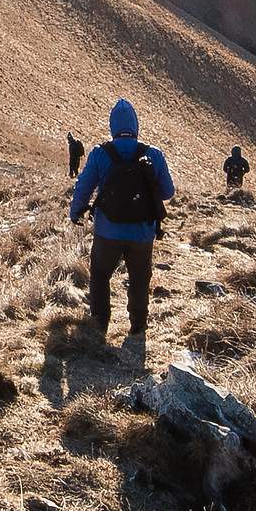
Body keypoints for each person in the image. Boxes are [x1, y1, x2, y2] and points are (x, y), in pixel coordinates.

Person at [69, 99, 174, 353]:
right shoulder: (153, 154)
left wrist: (76, 213)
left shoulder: (100, 153)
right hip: (142, 232)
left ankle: (99, 326)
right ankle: (138, 326)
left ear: (112, 126)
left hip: (108, 231)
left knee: (100, 273)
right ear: (135, 125)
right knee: (140, 276)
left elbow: (83, 187)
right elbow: (168, 191)